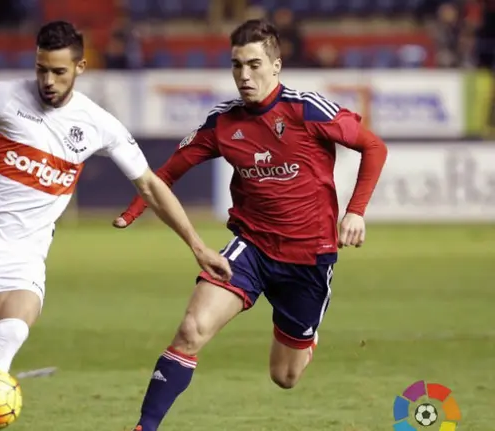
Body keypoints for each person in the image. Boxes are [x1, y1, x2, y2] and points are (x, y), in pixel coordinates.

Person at [0, 21, 232, 431]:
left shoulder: (97, 123)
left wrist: (197, 246)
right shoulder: (3, 96)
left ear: (80, 67)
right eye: (42, 69)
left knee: (9, 336)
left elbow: (149, 184)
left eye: (59, 71)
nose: (48, 81)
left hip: (21, 254)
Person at [112, 19, 388, 431]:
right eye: (236, 65)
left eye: (255, 64)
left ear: (276, 66)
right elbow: (164, 174)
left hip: (309, 259)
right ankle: (144, 427)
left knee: (285, 377)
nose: (244, 75)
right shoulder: (223, 123)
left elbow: (373, 145)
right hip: (251, 249)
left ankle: (304, 338)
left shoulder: (306, 109)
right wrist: (132, 212)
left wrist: (356, 211)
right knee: (191, 329)